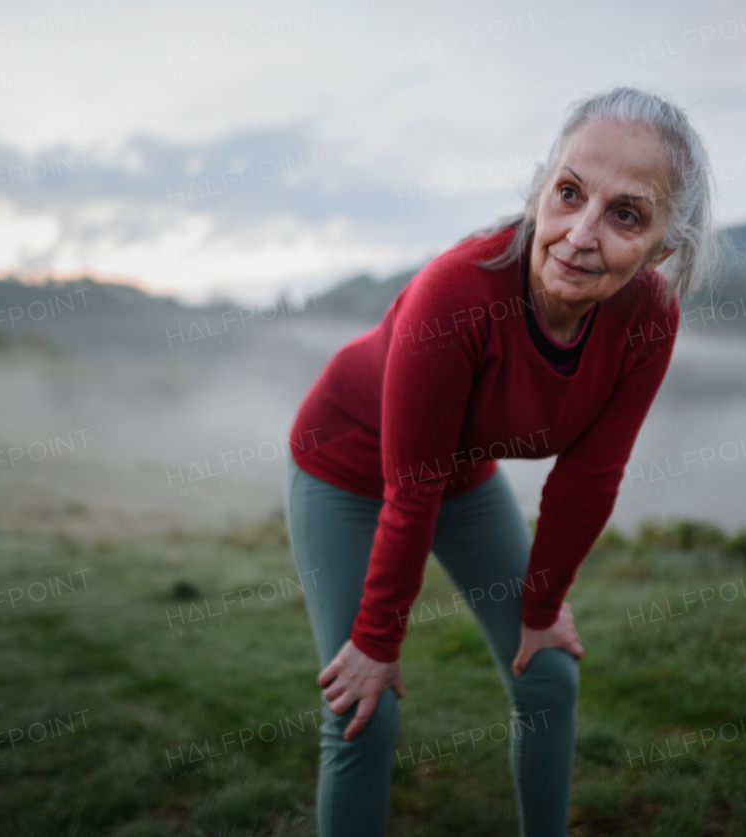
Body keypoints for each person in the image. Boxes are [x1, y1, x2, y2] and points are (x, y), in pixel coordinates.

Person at [282, 86, 718, 837]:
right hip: (346, 467)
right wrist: (378, 642)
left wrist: (542, 609)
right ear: (539, 190)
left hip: (458, 472)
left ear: (662, 248)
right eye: (570, 193)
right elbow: (407, 488)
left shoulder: (649, 316)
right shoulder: (455, 291)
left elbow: (589, 477)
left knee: (548, 671)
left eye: (625, 214)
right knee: (365, 708)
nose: (580, 234)